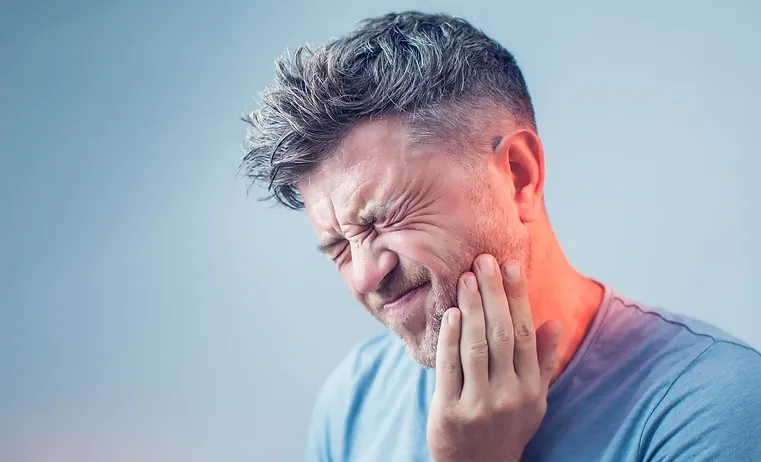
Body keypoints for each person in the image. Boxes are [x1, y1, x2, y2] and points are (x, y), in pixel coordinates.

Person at [241, 11, 761, 462]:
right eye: (337, 247)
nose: (365, 273)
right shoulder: (352, 402)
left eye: (385, 218)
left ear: (519, 175)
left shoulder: (716, 409)